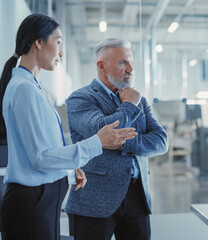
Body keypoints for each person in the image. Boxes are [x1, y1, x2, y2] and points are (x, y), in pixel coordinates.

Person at [0, 14, 138, 240]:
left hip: (41, 201)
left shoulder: (33, 88)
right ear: (39, 42)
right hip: (31, 205)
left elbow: (39, 152)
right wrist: (98, 142)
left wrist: (67, 170)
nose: (61, 52)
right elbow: (40, 158)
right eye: (59, 42)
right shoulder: (24, 89)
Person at [64, 38, 168, 240]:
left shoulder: (138, 98)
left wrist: (122, 142)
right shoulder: (81, 98)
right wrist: (129, 106)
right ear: (101, 65)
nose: (130, 68)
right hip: (94, 200)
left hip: (137, 197)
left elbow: (161, 141)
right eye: (122, 62)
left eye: (130, 62)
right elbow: (103, 130)